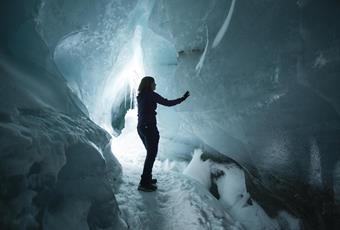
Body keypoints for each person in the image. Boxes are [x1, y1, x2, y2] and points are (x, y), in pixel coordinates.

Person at [136, 76, 190, 192]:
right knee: (151, 155)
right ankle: (144, 183)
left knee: (150, 154)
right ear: (149, 84)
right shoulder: (151, 95)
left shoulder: (140, 95)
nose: (155, 85)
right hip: (149, 128)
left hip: (141, 127)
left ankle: (147, 178)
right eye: (154, 83)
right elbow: (167, 103)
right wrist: (182, 98)